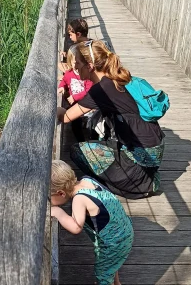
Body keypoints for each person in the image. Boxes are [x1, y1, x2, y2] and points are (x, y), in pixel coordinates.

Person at [57, 40, 165, 199]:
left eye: (78, 63)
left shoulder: (100, 90)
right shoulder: (116, 77)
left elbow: (65, 117)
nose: (76, 68)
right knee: (102, 143)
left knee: (78, 151)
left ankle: (139, 186)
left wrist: (54, 106)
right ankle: (145, 178)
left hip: (140, 157)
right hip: (153, 151)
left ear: (90, 66)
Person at [51, 160, 133, 285]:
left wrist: (58, 212)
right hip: (123, 231)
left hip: (113, 242)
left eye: (49, 197)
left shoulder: (79, 198)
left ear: (61, 193)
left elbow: (76, 227)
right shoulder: (87, 180)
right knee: (110, 265)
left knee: (103, 273)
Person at [58, 45, 94, 142]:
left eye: (77, 62)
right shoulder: (69, 73)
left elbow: (88, 90)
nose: (75, 66)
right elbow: (64, 80)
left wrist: (75, 96)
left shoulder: (86, 74)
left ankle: (93, 139)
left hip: (86, 104)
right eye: (73, 63)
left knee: (92, 126)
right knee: (75, 124)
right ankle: (80, 141)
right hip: (74, 105)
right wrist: (61, 86)